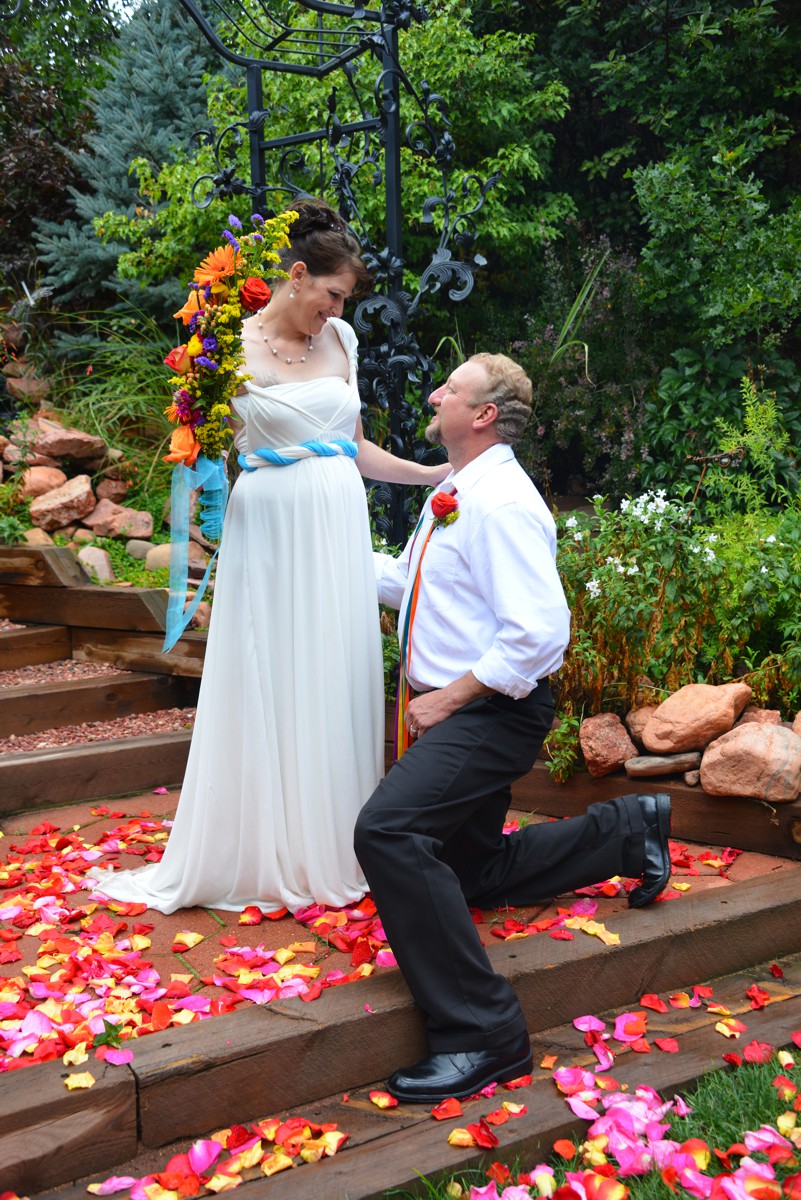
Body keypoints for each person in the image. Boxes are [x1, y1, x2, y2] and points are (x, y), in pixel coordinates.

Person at [90, 199, 449, 914]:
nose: (337, 309)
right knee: (268, 670)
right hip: (269, 530)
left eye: (341, 299)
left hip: (335, 524)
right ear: (296, 276)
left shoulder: (341, 339)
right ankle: (257, 845)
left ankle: (336, 844)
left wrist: (430, 474)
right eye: (332, 294)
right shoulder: (223, 345)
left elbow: (350, 445)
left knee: (332, 669)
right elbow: (202, 452)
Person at [354, 352, 672, 1104]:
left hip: (488, 712)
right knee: (468, 872)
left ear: (483, 415)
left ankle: (482, 1035)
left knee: (388, 833)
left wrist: (448, 698)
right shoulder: (463, 490)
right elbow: (414, 587)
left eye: (450, 389)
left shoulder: (502, 503)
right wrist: (315, 552)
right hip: (467, 707)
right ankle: (628, 830)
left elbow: (537, 633)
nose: (434, 394)